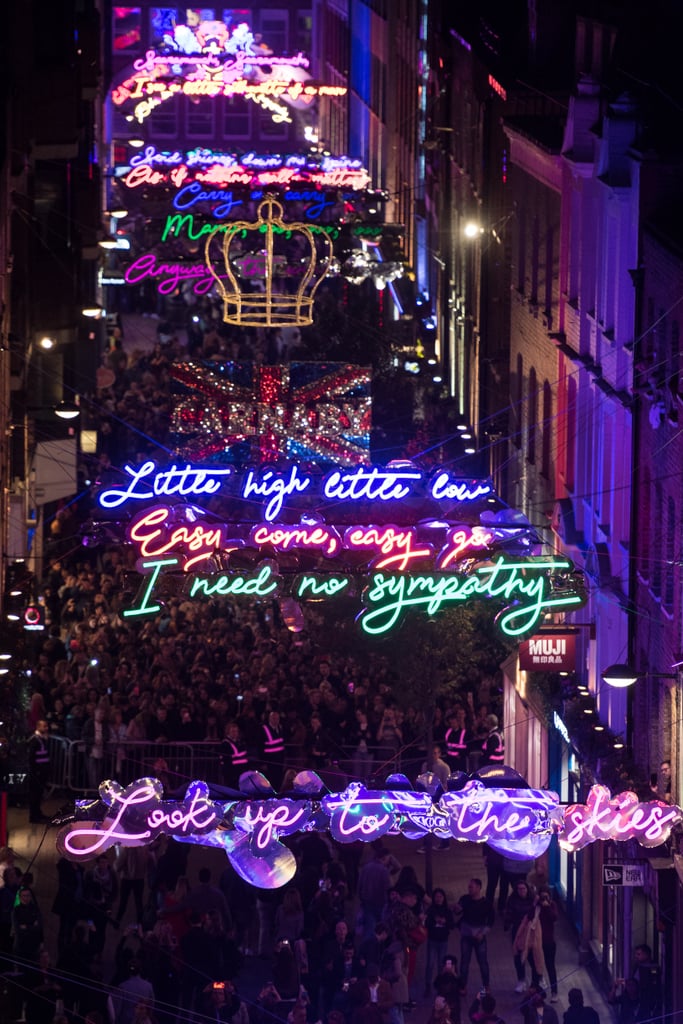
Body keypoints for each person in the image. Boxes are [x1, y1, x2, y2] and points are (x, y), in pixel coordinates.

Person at [453, 879, 493, 997]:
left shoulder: (486, 903)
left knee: (483, 962)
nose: (469, 889)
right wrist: (457, 909)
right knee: (464, 961)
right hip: (466, 934)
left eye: (472, 887)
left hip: (479, 935)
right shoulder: (465, 899)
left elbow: (491, 920)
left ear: (479, 888)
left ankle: (486, 986)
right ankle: (463, 986)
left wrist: (483, 933)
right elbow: (458, 911)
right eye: (469, 887)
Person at [503, 879, 534, 992]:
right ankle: (521, 980)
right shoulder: (512, 901)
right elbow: (508, 914)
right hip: (517, 932)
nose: (521, 891)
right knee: (518, 957)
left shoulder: (532, 901)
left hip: (530, 932)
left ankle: (537, 979)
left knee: (531, 956)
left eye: (523, 889)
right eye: (519, 889)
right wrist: (507, 924)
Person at [424, 888, 455, 994]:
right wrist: (434, 921)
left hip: (443, 941)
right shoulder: (430, 910)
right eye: (436, 896)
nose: (438, 899)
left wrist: (445, 922)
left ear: (444, 898)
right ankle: (428, 985)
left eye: (440, 896)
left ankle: (440, 986)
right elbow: (426, 924)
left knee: (441, 965)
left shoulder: (447, 911)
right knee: (430, 964)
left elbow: (452, 925)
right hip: (432, 940)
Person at [26, 720, 51, 823]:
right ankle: (34, 816)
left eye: (47, 726)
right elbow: (31, 758)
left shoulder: (42, 739)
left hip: (41, 771)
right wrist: (34, 771)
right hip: (36, 772)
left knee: (39, 794)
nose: (46, 728)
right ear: (38, 727)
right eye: (44, 726)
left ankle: (38, 813)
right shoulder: (35, 740)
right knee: (35, 794)